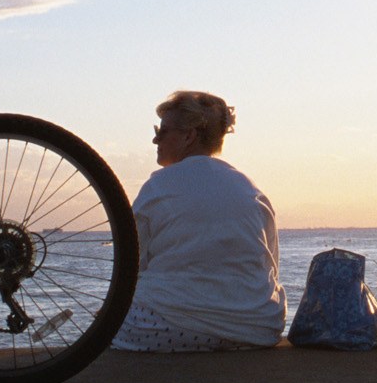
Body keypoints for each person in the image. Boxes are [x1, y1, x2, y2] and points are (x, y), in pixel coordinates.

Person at [110, 91, 286, 352]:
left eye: (163, 130)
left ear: (189, 136)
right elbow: (269, 264)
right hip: (254, 330)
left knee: (112, 319)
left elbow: (131, 265)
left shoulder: (158, 186)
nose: (155, 138)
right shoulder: (250, 190)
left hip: (163, 329)